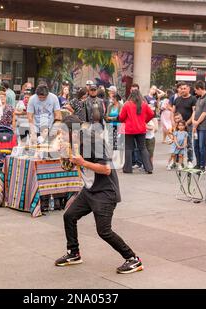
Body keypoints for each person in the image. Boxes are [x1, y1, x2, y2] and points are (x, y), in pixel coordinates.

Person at [55, 115, 144, 274]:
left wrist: (83, 163)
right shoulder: (74, 144)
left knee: (104, 231)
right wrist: (63, 154)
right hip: (89, 190)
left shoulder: (94, 142)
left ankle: (133, 259)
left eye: (63, 132)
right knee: (69, 216)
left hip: (105, 192)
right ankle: (74, 253)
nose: (61, 136)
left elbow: (106, 169)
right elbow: (68, 167)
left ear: (74, 132)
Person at [118, 89, 155, 174]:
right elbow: (152, 114)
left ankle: (127, 168)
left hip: (129, 129)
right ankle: (149, 168)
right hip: (141, 129)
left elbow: (121, 117)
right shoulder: (144, 104)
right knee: (143, 148)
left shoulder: (127, 104)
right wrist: (144, 121)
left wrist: (124, 122)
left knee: (128, 148)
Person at [172, 82, 197, 168]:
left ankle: (190, 161)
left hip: (188, 125)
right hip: (178, 126)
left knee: (188, 143)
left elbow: (194, 112)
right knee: (177, 143)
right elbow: (173, 112)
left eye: (184, 88)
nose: (182, 90)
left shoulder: (193, 99)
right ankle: (178, 162)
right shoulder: (177, 99)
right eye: (181, 89)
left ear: (188, 89)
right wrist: (173, 123)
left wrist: (187, 123)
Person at [192, 81, 206, 172]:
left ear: (200, 89)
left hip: (203, 126)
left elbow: (205, 113)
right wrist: (193, 122)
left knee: (201, 146)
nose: (195, 92)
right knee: (195, 145)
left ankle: (202, 165)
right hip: (197, 126)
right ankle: (198, 163)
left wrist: (196, 123)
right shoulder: (199, 98)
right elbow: (195, 111)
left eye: (196, 90)